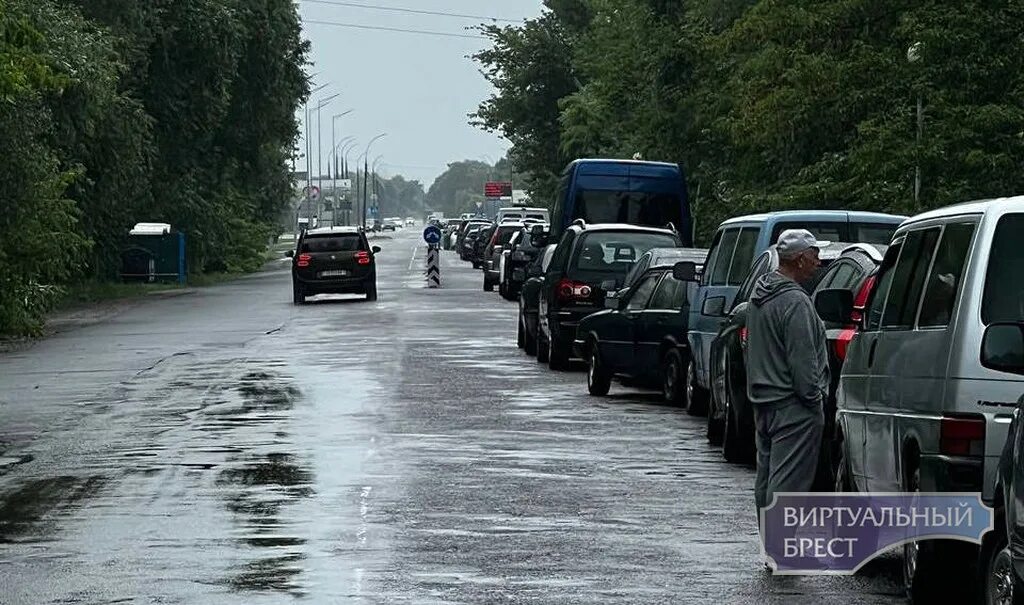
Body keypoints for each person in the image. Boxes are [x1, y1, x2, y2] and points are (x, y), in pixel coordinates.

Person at [746, 229, 830, 520]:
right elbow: (803, 361)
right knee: (789, 484)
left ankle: (771, 546)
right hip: (794, 405)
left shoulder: (760, 296)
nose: (818, 262)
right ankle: (780, 551)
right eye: (814, 255)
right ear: (799, 259)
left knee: (768, 479)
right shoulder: (795, 302)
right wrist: (814, 399)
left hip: (764, 400)